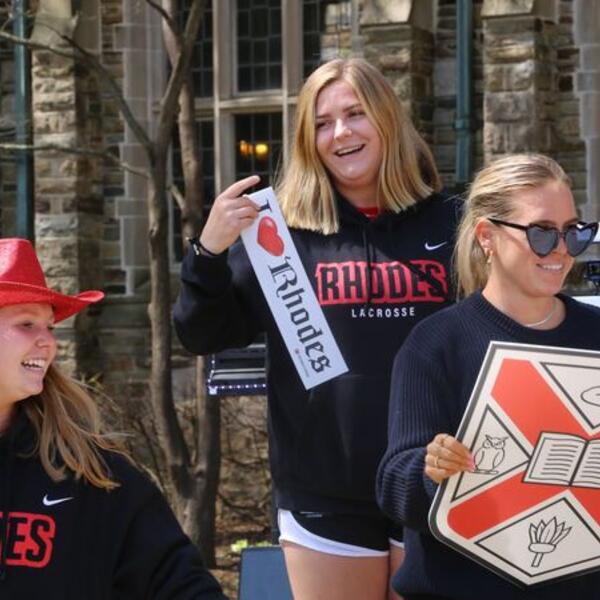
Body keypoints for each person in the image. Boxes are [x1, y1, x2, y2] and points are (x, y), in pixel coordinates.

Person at [174, 57, 460, 600]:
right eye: (322, 123)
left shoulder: (451, 220)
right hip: (323, 494)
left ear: (387, 119)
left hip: (433, 480)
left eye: (355, 113)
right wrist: (207, 251)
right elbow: (201, 334)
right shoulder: (279, 233)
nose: (341, 133)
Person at [376, 153, 600, 600]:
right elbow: (393, 484)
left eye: (573, 231)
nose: (560, 249)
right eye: (541, 233)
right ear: (488, 237)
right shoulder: (436, 343)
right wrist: (431, 467)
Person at [0, 238, 227, 599]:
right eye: (28, 324)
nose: (48, 342)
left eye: (50, 327)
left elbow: (177, 581)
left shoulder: (89, 469)